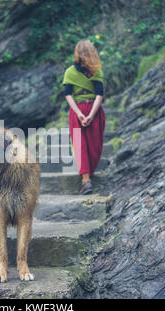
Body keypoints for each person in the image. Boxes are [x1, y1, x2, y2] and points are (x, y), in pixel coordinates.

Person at [62, 39, 105, 195]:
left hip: (87, 109)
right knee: (85, 145)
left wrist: (86, 114)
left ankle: (88, 175)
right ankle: (86, 179)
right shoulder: (73, 72)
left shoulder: (95, 71)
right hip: (84, 109)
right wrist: (84, 114)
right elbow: (68, 94)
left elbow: (99, 94)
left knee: (91, 146)